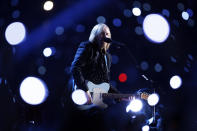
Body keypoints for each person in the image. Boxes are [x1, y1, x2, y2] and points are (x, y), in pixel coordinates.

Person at [69, 23, 132, 131]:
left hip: (96, 100)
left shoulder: (107, 56)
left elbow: (105, 83)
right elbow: (75, 68)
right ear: (95, 35)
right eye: (102, 34)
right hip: (82, 96)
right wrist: (85, 90)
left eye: (107, 34)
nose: (105, 36)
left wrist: (120, 96)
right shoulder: (87, 47)